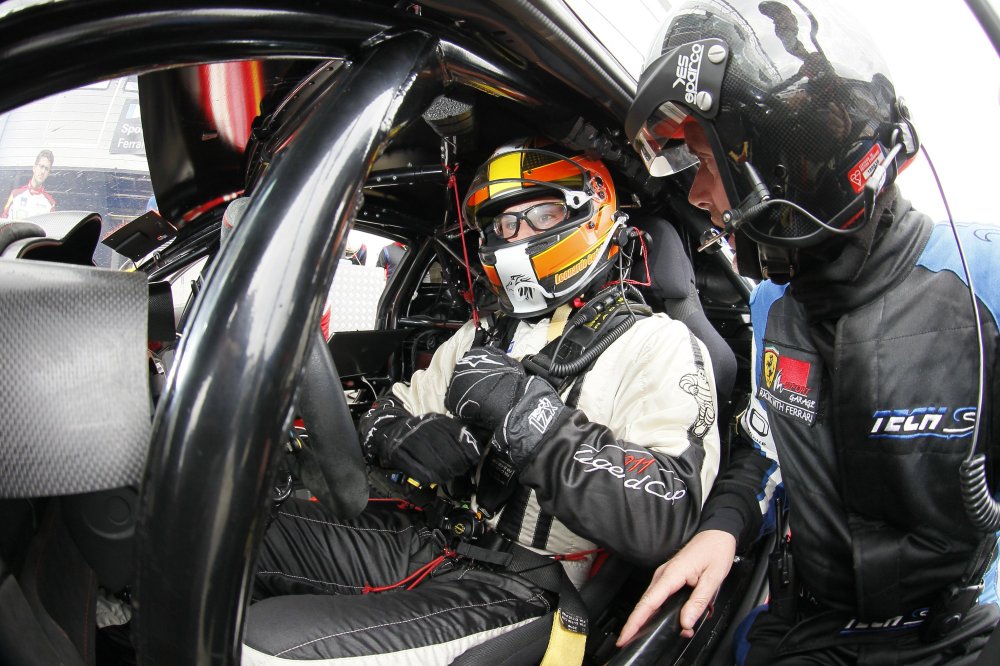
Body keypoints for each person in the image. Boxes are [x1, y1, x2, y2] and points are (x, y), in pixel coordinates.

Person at [618, 1, 1000, 663]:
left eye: (704, 162)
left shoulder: (983, 279)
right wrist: (722, 529)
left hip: (960, 631)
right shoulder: (775, 304)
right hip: (808, 624)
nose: (699, 195)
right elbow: (766, 443)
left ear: (788, 163)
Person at [242, 139, 722, 665]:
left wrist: (529, 418)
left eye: (543, 214)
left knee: (263, 647)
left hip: (527, 582)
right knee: (235, 534)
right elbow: (384, 412)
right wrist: (399, 435)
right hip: (435, 538)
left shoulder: (658, 344)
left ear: (591, 213)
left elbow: (662, 514)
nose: (519, 236)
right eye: (506, 225)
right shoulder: (482, 334)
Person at [3, 149, 55, 220]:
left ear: (48, 173)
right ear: (34, 168)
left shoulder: (50, 202)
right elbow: (4, 221)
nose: (43, 171)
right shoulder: (15, 194)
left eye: (46, 169)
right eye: (41, 166)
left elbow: (51, 226)